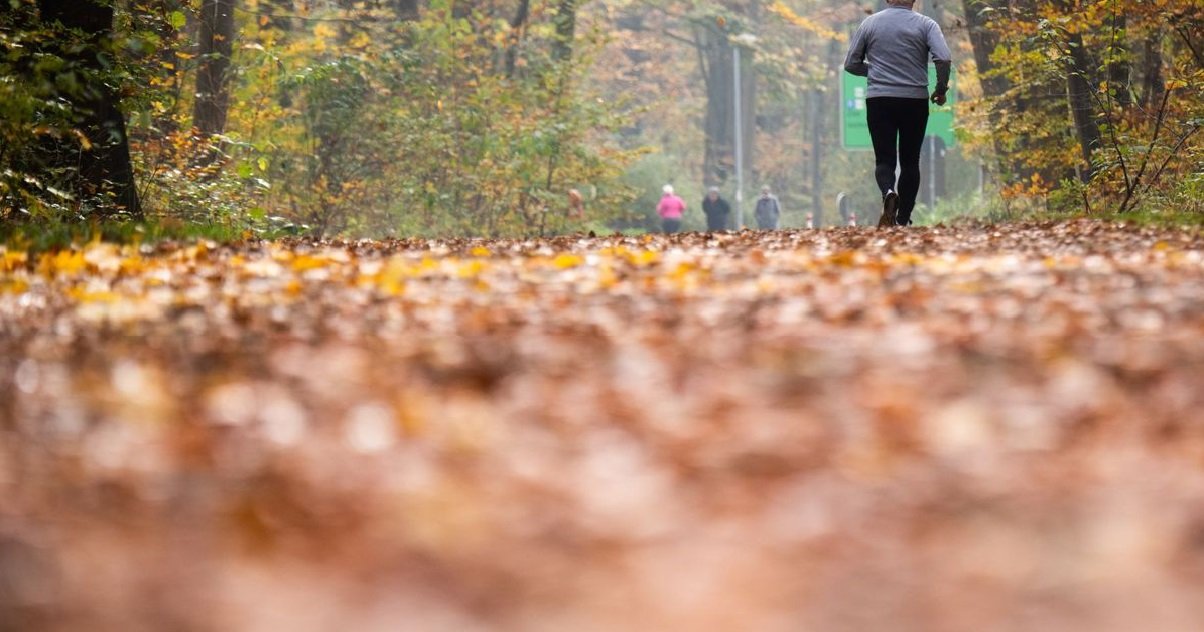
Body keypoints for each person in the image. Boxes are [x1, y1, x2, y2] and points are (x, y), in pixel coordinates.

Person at [843, 0, 951, 227]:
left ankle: (888, 192)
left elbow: (851, 64)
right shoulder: (927, 24)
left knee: (884, 159)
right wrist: (940, 89)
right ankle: (902, 219)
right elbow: (943, 57)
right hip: (914, 100)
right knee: (911, 161)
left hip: (880, 99)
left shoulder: (870, 24)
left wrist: (877, 71)